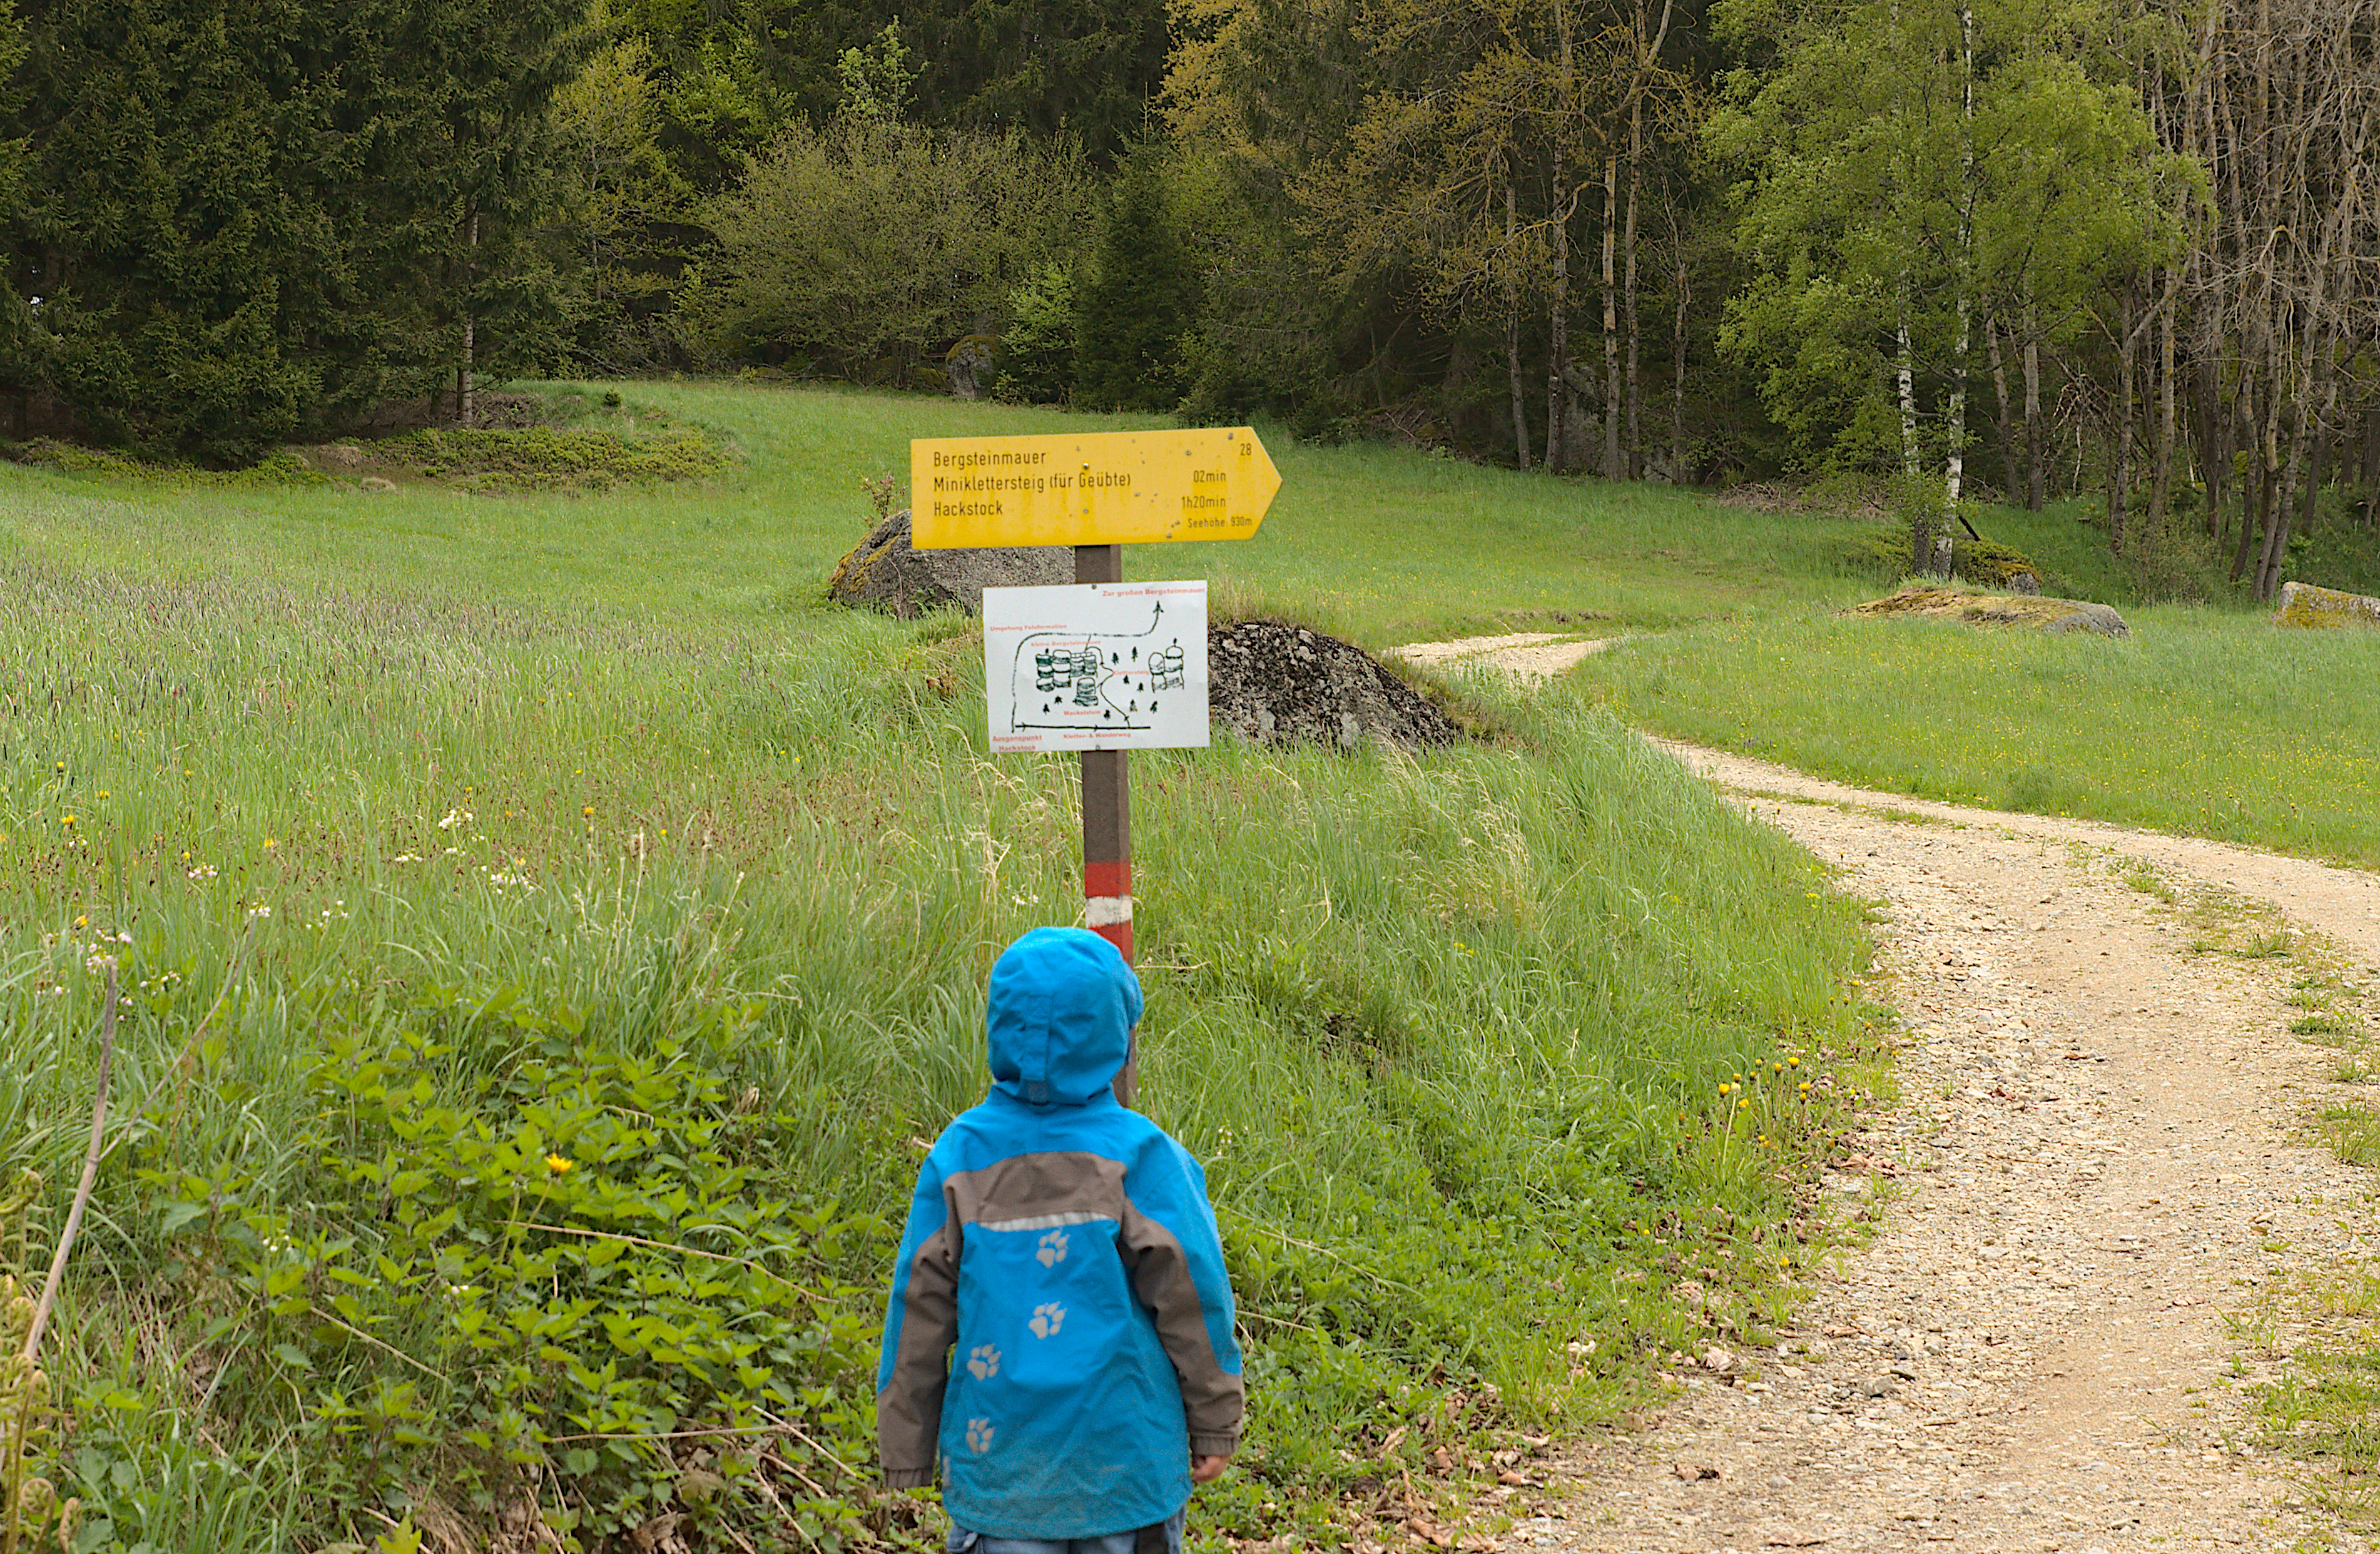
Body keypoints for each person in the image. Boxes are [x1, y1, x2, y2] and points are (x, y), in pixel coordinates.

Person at [877, 927, 1244, 1554]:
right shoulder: (1141, 1155)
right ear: (1117, 1036)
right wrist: (1215, 1421)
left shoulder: (959, 1158)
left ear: (999, 1028)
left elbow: (919, 1309)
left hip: (1001, 1471)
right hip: (1124, 1464)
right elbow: (1194, 1295)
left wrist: (906, 1447)